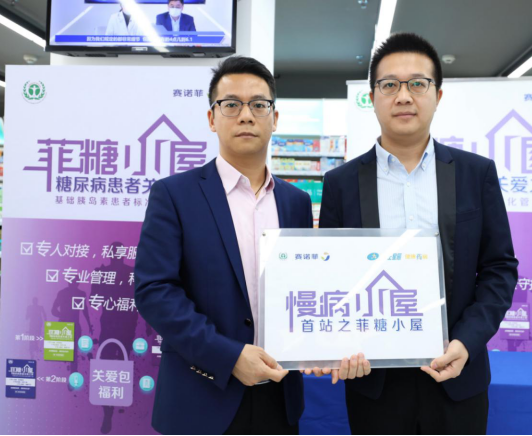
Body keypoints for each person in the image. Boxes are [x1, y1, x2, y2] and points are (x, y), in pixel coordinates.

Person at [135, 56, 366, 435]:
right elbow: (155, 291)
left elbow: (304, 288)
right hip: (201, 397)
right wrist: (229, 356)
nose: (246, 115)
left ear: (275, 118)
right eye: (231, 104)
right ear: (212, 118)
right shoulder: (174, 195)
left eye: (259, 104)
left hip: (279, 396)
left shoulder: (295, 202)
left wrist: (323, 343)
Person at [319, 33, 519, 435]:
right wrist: (339, 343)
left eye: (417, 83)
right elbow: (331, 277)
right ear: (372, 97)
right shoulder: (340, 183)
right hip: (373, 382)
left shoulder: (475, 173)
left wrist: (466, 342)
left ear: (437, 95)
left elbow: (499, 268)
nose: (403, 96)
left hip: (456, 375)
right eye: (389, 85)